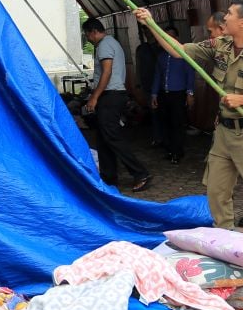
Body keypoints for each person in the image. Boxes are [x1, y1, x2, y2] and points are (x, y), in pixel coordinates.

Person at [135, 0, 243, 269]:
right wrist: (150, 23)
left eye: (229, 14)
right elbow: (179, 51)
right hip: (223, 135)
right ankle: (227, 246)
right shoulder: (221, 45)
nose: (224, 18)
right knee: (217, 194)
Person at [82, 18, 152, 192]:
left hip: (110, 96)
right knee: (103, 138)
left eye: (87, 35)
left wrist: (94, 97)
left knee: (112, 137)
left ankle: (140, 173)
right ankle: (108, 177)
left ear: (93, 31)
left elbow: (107, 71)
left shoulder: (105, 45)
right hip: (112, 95)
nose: (88, 39)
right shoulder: (111, 43)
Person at [150, 25, 194, 164]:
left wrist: (190, 93)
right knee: (165, 122)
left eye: (171, 36)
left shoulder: (184, 55)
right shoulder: (161, 56)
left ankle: (177, 152)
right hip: (164, 94)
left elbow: (190, 75)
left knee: (178, 124)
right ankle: (170, 150)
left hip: (179, 94)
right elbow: (157, 75)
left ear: (176, 38)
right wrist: (154, 94)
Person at [133, 30, 163, 146]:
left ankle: (162, 137)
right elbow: (138, 66)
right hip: (147, 84)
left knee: (161, 112)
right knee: (154, 112)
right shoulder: (141, 48)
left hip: (161, 85)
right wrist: (138, 82)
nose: (148, 33)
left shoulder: (161, 47)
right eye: (146, 31)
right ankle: (158, 137)